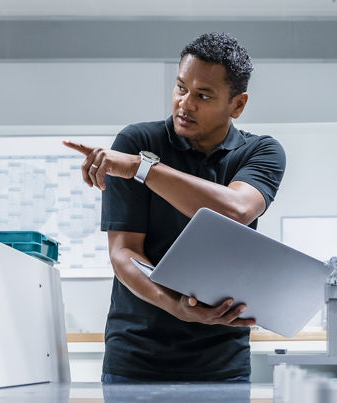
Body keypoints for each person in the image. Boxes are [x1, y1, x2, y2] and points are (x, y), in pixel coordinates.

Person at [62, 32, 285, 383]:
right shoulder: (137, 142)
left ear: (237, 105)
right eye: (181, 88)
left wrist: (141, 169)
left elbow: (237, 209)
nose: (185, 103)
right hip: (136, 358)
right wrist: (175, 306)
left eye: (203, 95)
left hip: (222, 362)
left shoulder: (261, 152)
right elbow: (124, 253)